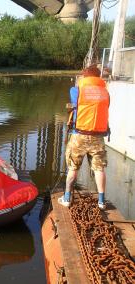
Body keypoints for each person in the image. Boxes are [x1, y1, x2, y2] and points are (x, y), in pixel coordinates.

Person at [59, 65, 110, 210]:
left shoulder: (76, 90)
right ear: (98, 77)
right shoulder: (106, 92)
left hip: (79, 135)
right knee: (99, 168)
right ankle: (101, 201)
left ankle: (67, 198)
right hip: (98, 137)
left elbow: (75, 102)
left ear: (85, 76)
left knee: (73, 167)